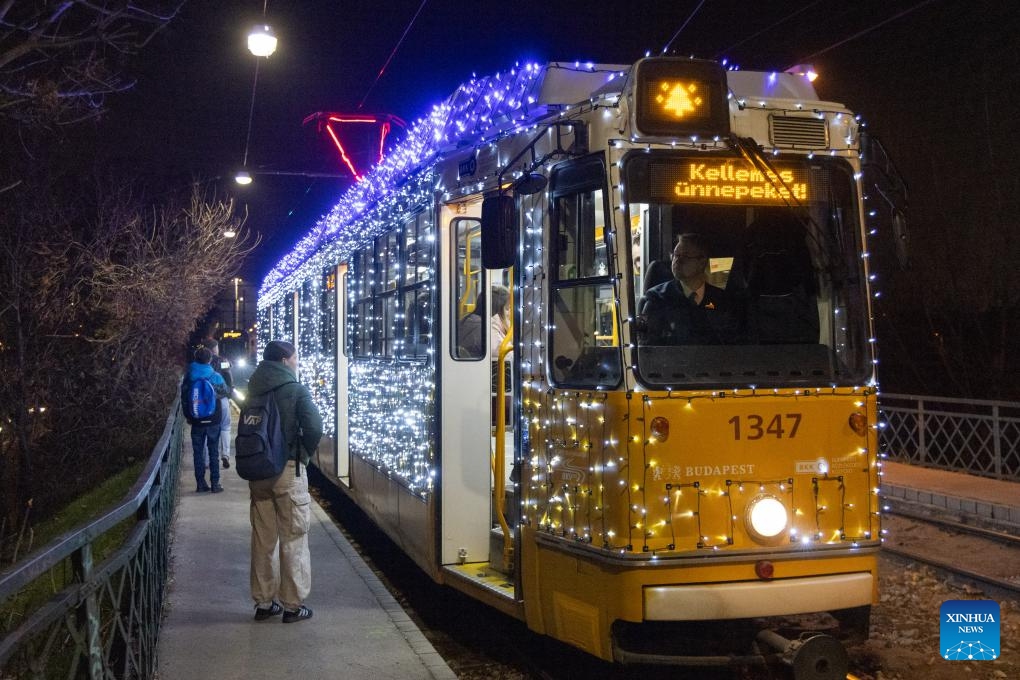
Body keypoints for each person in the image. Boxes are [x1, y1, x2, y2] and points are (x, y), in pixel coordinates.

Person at [246, 340, 323, 624]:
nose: (296, 362)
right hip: (286, 472)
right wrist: (301, 456)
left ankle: (264, 604)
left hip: (257, 473)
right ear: (283, 360)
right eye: (295, 358)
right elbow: (315, 426)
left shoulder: (254, 386)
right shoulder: (295, 389)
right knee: (293, 538)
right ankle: (292, 606)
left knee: (263, 540)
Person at [640, 233, 741, 345]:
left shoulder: (722, 300)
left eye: (685, 256)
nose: (677, 261)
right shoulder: (657, 298)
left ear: (702, 261)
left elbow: (734, 342)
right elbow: (647, 346)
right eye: (675, 255)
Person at [184, 346, 228, 492]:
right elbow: (225, 392)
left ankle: (200, 484)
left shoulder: (189, 376)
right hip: (213, 419)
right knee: (213, 451)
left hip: (196, 418)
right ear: (210, 360)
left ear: (195, 359)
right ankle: (215, 484)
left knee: (198, 452)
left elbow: (185, 398)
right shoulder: (215, 376)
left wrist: (189, 416)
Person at [203, 338, 234, 469]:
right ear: (215, 348)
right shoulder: (222, 361)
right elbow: (229, 373)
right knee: (225, 427)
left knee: (205, 429)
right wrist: (230, 390)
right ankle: (225, 454)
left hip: (205, 401)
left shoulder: (201, 363)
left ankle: (206, 461)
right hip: (221, 399)